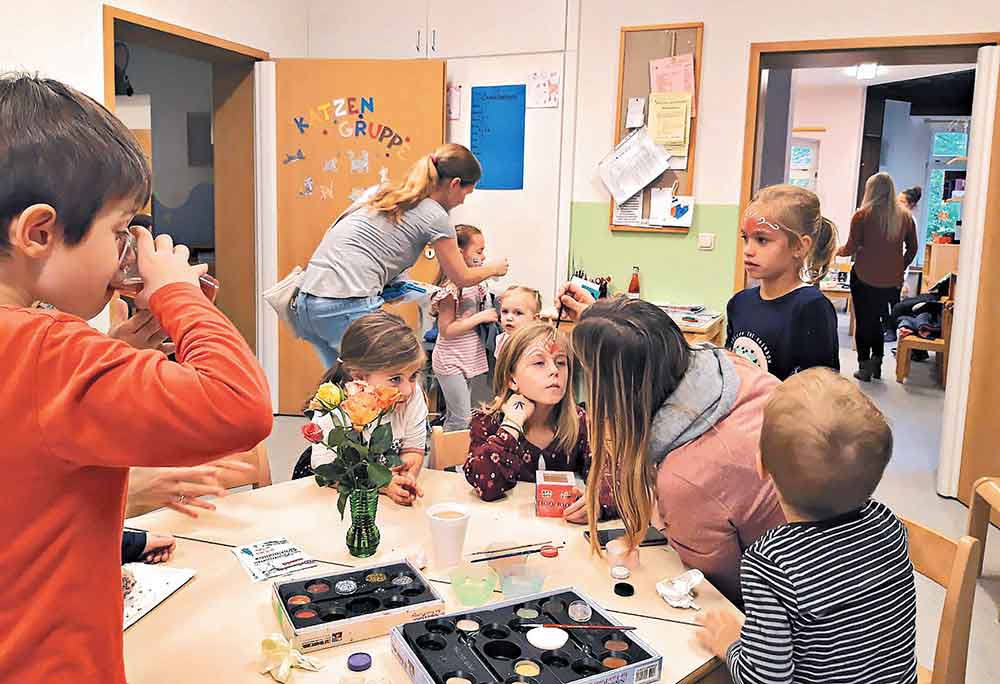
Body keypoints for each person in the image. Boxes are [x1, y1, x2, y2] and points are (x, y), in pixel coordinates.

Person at [0, 73, 272, 681]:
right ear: (39, 233)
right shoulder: (50, 351)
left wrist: (110, 351)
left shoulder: (43, 353)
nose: (128, 249)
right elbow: (241, 405)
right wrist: (178, 292)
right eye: (121, 231)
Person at [556, 290, 785, 605]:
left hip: (795, 616)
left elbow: (722, 595)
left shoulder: (686, 479)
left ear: (611, 390)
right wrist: (600, 323)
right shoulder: (732, 367)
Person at [696, 368, 917, 684]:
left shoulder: (770, 563)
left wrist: (730, 644)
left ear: (760, 465)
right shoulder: (889, 525)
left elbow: (765, 680)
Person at [294, 143, 508, 367]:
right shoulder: (435, 214)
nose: (464, 199)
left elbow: (351, 240)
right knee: (390, 379)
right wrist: (495, 268)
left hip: (308, 301)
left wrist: (390, 283)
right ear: (455, 184)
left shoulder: (381, 193)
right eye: (466, 192)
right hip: (345, 303)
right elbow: (461, 276)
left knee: (342, 387)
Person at [464, 324, 606, 519]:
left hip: (563, 537)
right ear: (511, 379)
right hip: (504, 531)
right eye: (539, 363)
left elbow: (614, 478)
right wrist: (512, 424)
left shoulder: (581, 422)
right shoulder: (489, 422)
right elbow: (485, 484)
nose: (554, 371)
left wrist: (598, 502)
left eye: (561, 362)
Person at [293, 312, 427, 506]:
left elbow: (413, 451)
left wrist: (406, 478)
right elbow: (326, 469)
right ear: (359, 376)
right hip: (334, 493)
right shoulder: (335, 406)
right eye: (395, 379)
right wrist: (381, 484)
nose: (407, 390)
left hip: (381, 503)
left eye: (413, 376)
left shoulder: (411, 397)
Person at [726, 185, 839, 379]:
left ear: (799, 246)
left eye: (762, 240)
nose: (748, 250)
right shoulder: (739, 303)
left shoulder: (812, 307)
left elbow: (822, 387)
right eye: (746, 238)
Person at [838, 172, 918, 381]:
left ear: (870, 190)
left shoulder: (862, 216)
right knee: (879, 321)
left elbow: (851, 248)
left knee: (865, 322)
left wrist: (835, 250)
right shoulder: (904, 217)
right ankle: (877, 363)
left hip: (864, 278)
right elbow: (913, 248)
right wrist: (899, 266)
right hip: (891, 282)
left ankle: (864, 367)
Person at [430, 224, 497, 431]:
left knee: (454, 419)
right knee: (462, 420)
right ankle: (450, 462)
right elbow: (446, 330)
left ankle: (443, 463)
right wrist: (480, 317)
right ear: (460, 254)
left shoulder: (474, 283)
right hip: (451, 362)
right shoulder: (451, 288)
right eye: (479, 251)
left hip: (464, 358)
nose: (483, 257)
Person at [883, 186, 923, 341]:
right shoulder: (895, 217)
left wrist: (901, 268)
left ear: (911, 205)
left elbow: (910, 248)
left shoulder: (909, 220)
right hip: (887, 266)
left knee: (893, 301)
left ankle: (892, 330)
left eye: (901, 202)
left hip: (897, 267)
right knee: (884, 298)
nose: (897, 204)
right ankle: (887, 327)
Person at [494, 285, 542, 359]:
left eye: (518, 313)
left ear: (535, 319)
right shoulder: (501, 340)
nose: (509, 318)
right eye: (505, 311)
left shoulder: (536, 345)